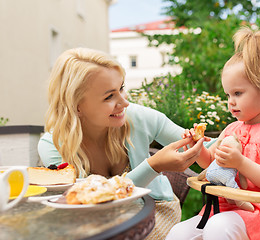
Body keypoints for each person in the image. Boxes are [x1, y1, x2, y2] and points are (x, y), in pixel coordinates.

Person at [37, 47, 206, 239]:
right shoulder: (53, 145)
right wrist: (153, 166)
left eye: (122, 88)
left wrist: (231, 141)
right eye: (109, 96)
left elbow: (205, 147)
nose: (124, 102)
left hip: (155, 209)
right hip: (90, 220)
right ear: (76, 106)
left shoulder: (138, 117)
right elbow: (81, 205)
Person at [166, 27, 260, 240]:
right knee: (178, 233)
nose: (231, 102)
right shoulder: (232, 129)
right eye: (228, 94)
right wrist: (196, 148)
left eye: (238, 93)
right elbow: (211, 164)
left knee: (218, 227)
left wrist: (240, 162)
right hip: (229, 209)